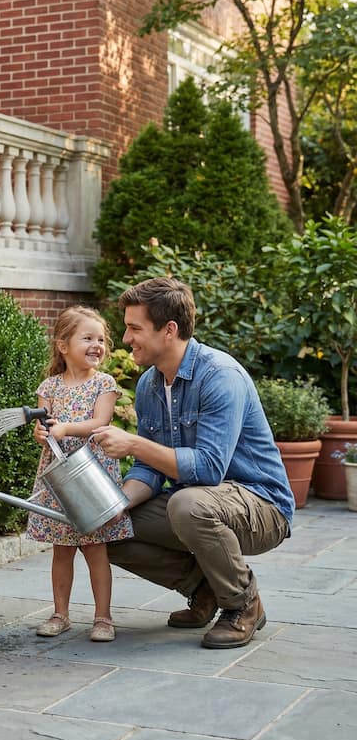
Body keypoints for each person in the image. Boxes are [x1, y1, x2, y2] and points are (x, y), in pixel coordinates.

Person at [92, 277, 294, 649]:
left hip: (262, 505)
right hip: (198, 503)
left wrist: (133, 443)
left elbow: (208, 468)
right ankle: (205, 590)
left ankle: (243, 604)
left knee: (188, 504)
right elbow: (150, 469)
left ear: (169, 330)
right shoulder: (150, 385)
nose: (125, 338)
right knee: (104, 529)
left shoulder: (220, 376)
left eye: (135, 328)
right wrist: (114, 506)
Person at [26, 306, 134, 642]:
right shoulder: (50, 386)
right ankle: (60, 614)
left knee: (95, 548)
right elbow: (42, 427)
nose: (97, 345)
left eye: (100, 339)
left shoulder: (104, 383)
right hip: (59, 477)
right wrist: (41, 433)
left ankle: (103, 618)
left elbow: (100, 422)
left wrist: (65, 428)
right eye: (87, 338)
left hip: (92, 475)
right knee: (62, 549)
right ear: (63, 345)